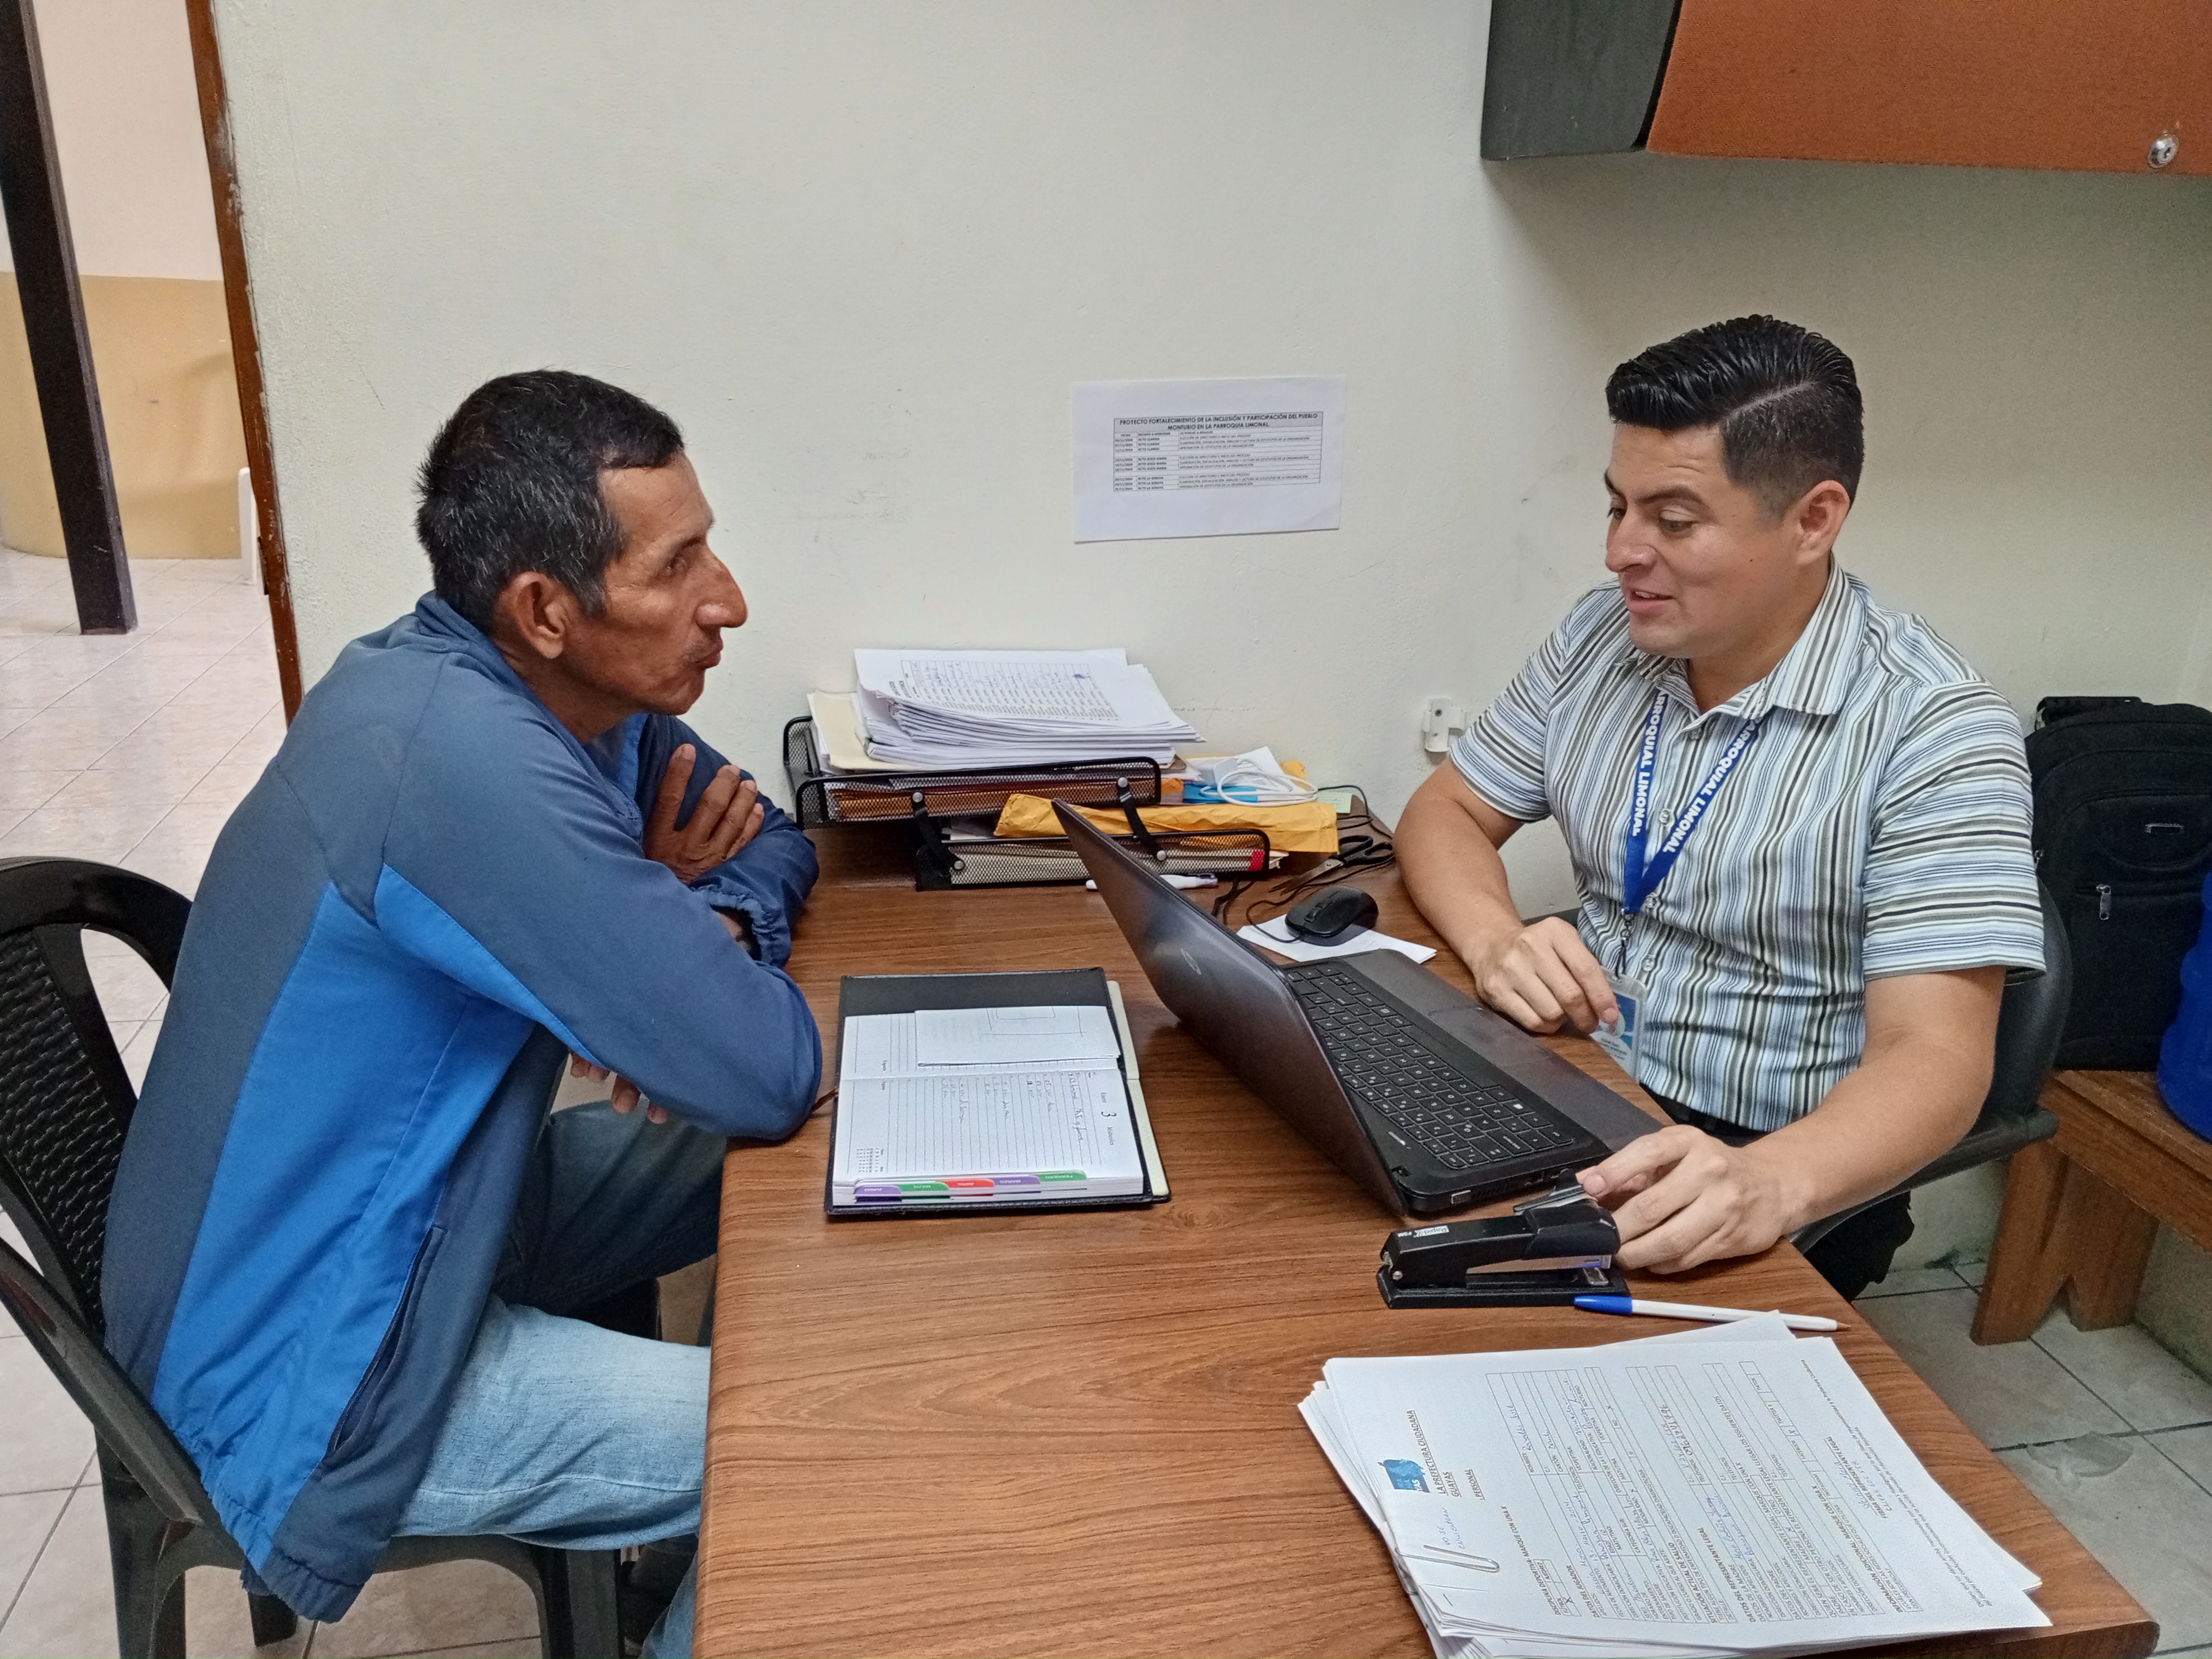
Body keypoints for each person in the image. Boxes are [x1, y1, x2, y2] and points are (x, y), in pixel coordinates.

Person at [102, 370, 817, 1656]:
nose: (728, 600)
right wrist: (674, 978)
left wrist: (700, 929)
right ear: (544, 609)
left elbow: (771, 840)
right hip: (316, 1363)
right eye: (677, 566)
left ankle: (689, 1569)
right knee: (830, 1450)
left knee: (817, 1154)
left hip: (443, 1219)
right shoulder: (455, 756)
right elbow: (759, 1064)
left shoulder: (573, 706)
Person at [1398, 315, 2042, 1299]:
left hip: (1765, 1152)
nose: (1620, 552)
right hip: (1577, 1086)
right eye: (1617, 506)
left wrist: (1770, 1181)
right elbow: (1446, 809)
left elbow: (1939, 1059)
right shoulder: (1604, 635)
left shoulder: (1935, 729)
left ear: (1813, 520)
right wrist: (1495, 942)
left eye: (1673, 520)